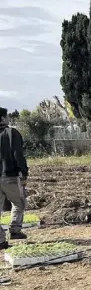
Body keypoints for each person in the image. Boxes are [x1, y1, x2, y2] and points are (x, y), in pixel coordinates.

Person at [0, 106, 28, 250]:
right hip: (10, 175)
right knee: (19, 202)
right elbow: (18, 154)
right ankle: (15, 230)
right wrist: (23, 172)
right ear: (3, 118)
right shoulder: (11, 133)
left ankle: (0, 241)